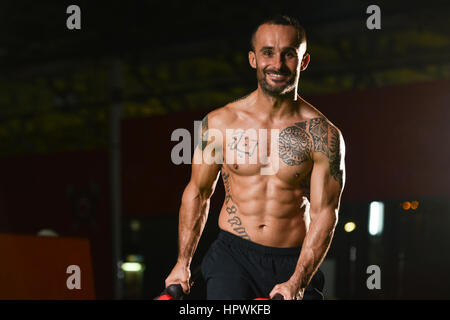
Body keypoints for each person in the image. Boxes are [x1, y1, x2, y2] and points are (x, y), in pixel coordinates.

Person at [165, 14, 346, 300]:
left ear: (303, 61)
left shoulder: (322, 135)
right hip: (232, 255)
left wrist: (297, 281)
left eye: (288, 54)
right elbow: (198, 193)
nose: (277, 64)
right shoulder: (220, 123)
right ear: (253, 59)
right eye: (267, 53)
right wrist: (181, 264)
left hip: (294, 257)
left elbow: (325, 213)